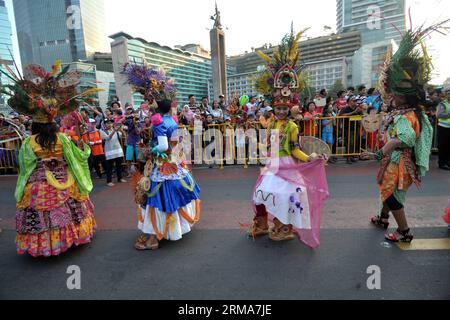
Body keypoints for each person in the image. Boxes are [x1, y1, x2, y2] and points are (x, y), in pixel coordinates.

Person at [6, 60, 97, 257]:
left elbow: (24, 165)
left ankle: (46, 244)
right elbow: (76, 156)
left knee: (38, 211)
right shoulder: (62, 138)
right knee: (71, 207)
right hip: (64, 179)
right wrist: (85, 148)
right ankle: (70, 238)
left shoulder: (29, 142)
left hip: (37, 184)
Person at [250, 29, 328, 247]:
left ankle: (284, 227)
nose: (281, 111)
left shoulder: (293, 126)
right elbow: (270, 144)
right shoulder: (272, 122)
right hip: (272, 165)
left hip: (287, 166)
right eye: (278, 107)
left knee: (283, 196)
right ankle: (263, 223)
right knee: (259, 194)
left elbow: (294, 150)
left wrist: (310, 158)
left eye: (285, 108)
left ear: (291, 107)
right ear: (274, 106)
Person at [365, 23, 442, 242]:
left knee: (392, 194)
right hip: (396, 160)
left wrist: (381, 152)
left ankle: (405, 231)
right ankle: (382, 218)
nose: (391, 97)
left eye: (395, 95)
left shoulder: (405, 116)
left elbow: (405, 138)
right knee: (387, 190)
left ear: (404, 97)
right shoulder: (407, 112)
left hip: (399, 162)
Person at [123, 63, 201, 251]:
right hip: (174, 161)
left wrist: (151, 150)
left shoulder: (159, 123)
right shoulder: (170, 120)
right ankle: (171, 230)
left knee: (153, 198)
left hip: (162, 162)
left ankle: (153, 237)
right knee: (166, 194)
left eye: (150, 104)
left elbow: (164, 145)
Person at [101, 119, 126, 187]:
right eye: (107, 123)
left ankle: (120, 178)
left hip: (118, 151)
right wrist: (115, 130)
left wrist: (121, 130)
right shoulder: (102, 131)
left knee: (119, 166)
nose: (109, 124)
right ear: (104, 124)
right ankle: (109, 181)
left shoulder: (116, 131)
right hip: (109, 152)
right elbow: (108, 138)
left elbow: (123, 136)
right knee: (109, 168)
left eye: (110, 123)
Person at [436, 85, 450, 170]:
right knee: (443, 146)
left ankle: (447, 162)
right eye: (448, 93)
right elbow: (439, 115)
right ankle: (442, 163)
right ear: (446, 94)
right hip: (443, 128)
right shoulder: (443, 104)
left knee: (449, 146)